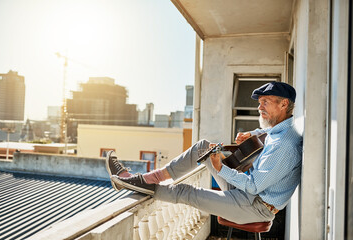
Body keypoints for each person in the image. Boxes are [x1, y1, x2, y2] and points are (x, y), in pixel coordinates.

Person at [105, 81, 302, 224]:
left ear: (284, 104)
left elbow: (253, 187)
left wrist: (220, 168)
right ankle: (150, 177)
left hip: (255, 206)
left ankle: (135, 183)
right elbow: (268, 132)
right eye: (260, 102)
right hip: (245, 191)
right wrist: (253, 132)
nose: (259, 107)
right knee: (203, 147)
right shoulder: (282, 129)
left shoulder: (285, 145)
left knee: (185, 192)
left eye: (265, 102)